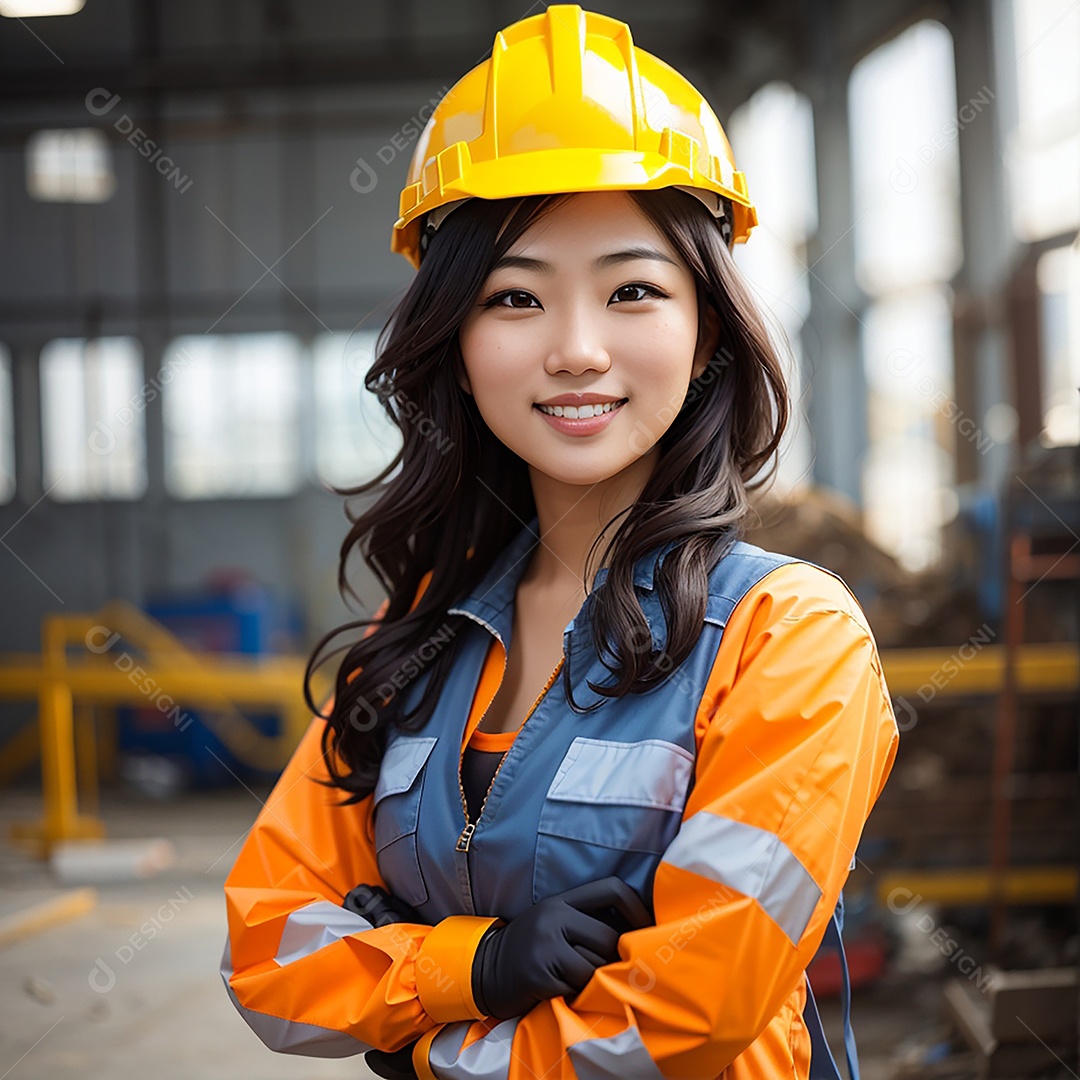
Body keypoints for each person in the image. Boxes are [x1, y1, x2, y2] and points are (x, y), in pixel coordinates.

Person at [220, 6, 900, 1080]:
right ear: (456, 337)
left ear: (706, 327)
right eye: (515, 297)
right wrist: (473, 968)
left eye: (632, 289)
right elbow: (267, 954)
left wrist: (420, 1042)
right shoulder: (421, 642)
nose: (577, 350)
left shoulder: (789, 641)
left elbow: (685, 1018)